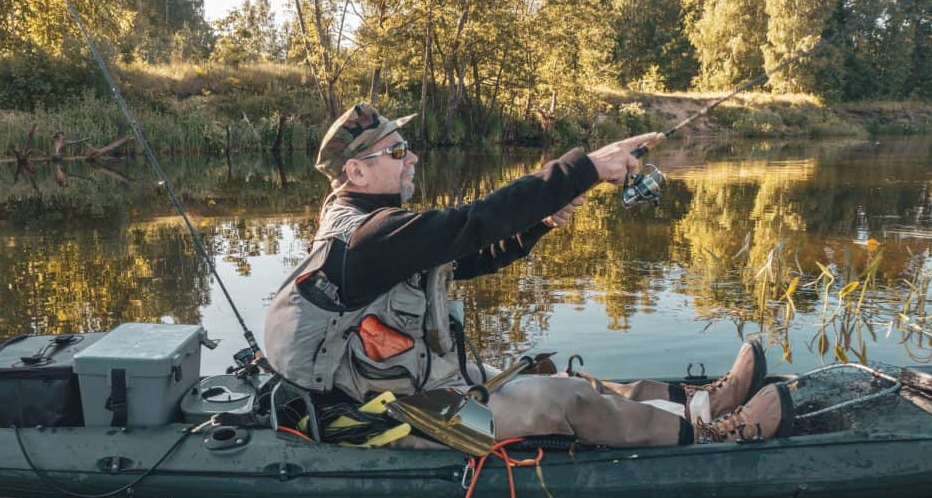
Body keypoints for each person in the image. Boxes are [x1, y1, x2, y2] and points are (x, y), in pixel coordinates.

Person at [261, 103, 792, 448]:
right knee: (568, 403)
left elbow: (463, 260)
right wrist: (584, 168)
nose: (412, 157)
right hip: (400, 416)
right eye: (397, 150)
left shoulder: (369, 228)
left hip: (422, 386)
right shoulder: (366, 236)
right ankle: (713, 435)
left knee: (561, 378)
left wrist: (535, 226)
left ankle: (701, 401)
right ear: (355, 171)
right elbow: (471, 224)